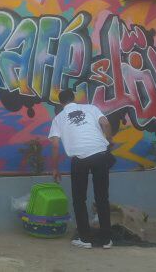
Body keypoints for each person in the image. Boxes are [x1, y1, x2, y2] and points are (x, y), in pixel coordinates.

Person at [49, 88, 114, 249]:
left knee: (79, 199)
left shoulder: (58, 119)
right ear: (74, 98)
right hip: (100, 155)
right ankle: (106, 240)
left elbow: (55, 146)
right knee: (102, 197)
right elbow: (105, 123)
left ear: (60, 103)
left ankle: (85, 239)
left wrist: (55, 169)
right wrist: (109, 140)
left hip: (79, 159)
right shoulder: (91, 108)